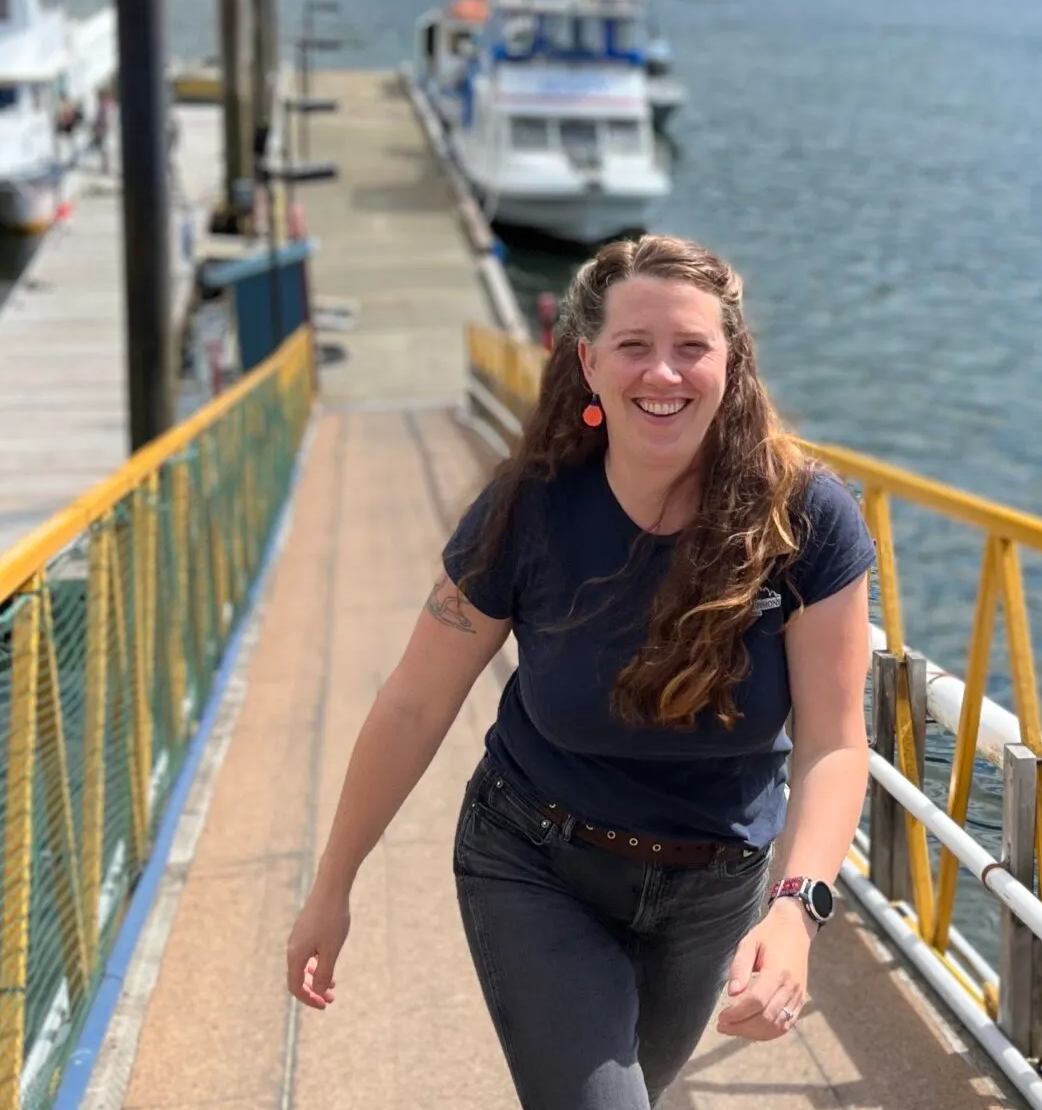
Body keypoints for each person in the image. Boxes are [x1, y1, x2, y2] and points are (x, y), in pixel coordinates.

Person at [285, 234, 876, 1110]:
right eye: (635, 347)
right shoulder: (527, 508)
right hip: (537, 859)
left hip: (713, 888)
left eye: (691, 348)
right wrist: (330, 887)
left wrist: (796, 910)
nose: (663, 375)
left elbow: (833, 742)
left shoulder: (807, 520)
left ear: (731, 363)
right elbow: (413, 703)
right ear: (590, 364)